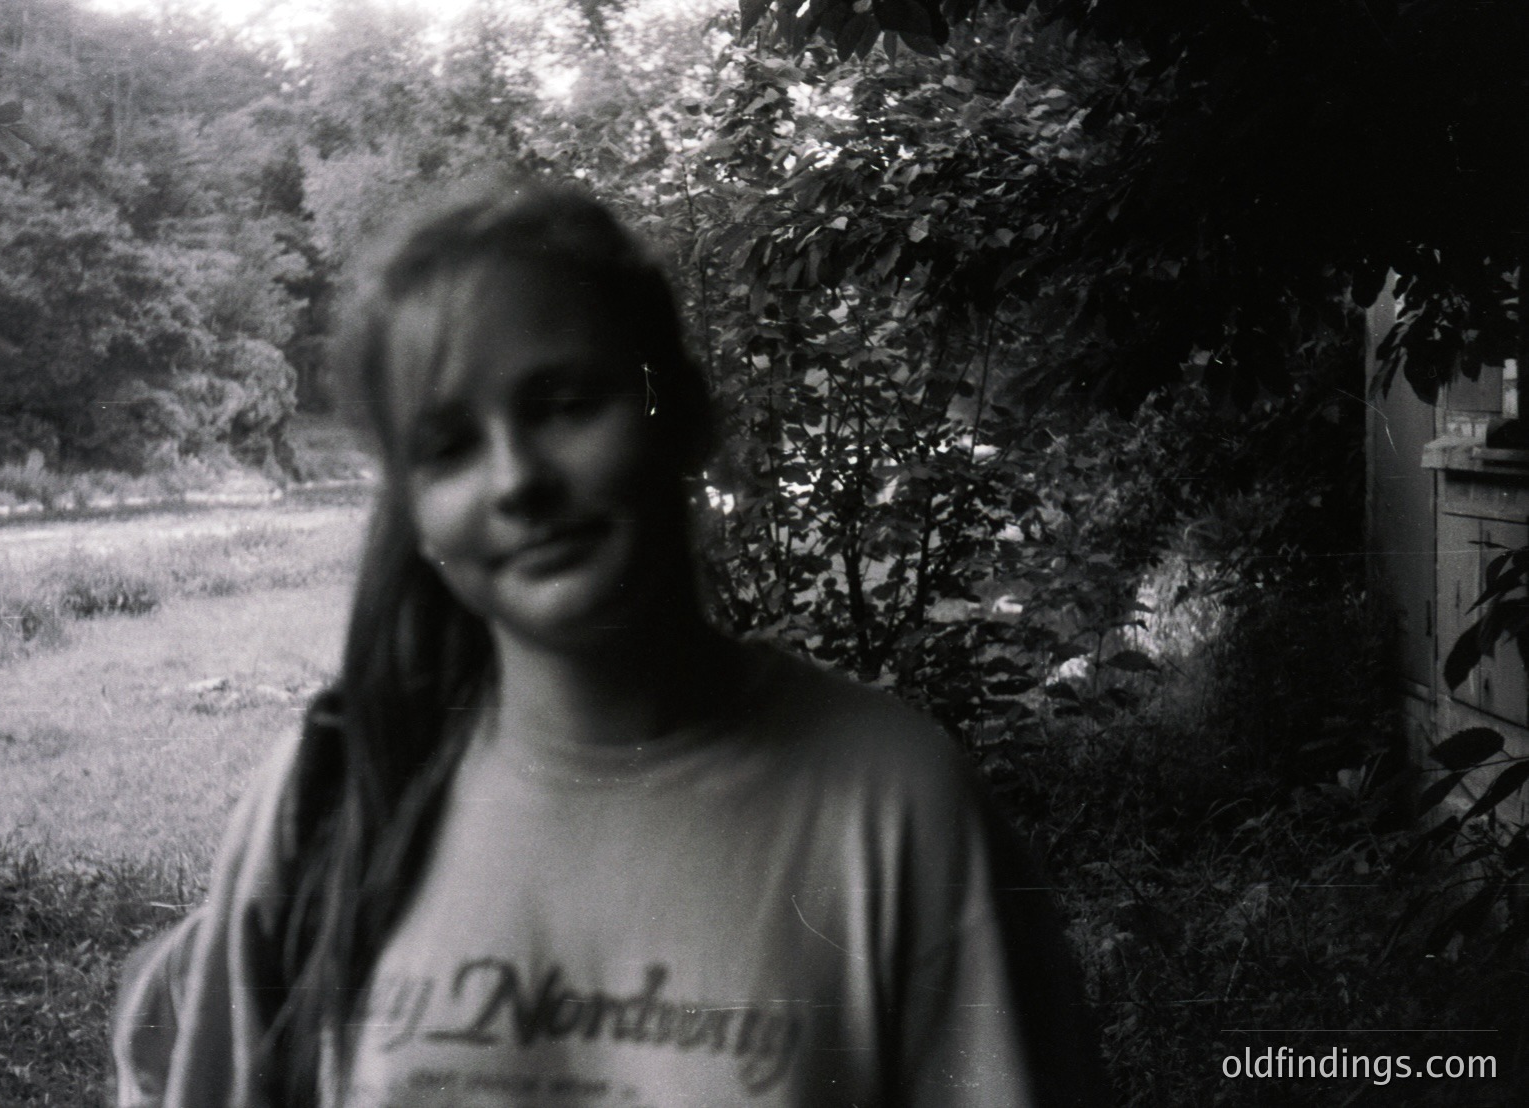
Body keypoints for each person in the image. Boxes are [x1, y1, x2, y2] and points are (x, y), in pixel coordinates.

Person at [111, 180, 1108, 1108]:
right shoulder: (327, 798)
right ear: (412, 515)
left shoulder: (891, 807)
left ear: (682, 414)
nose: (516, 480)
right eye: (449, 446)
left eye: (564, 404)